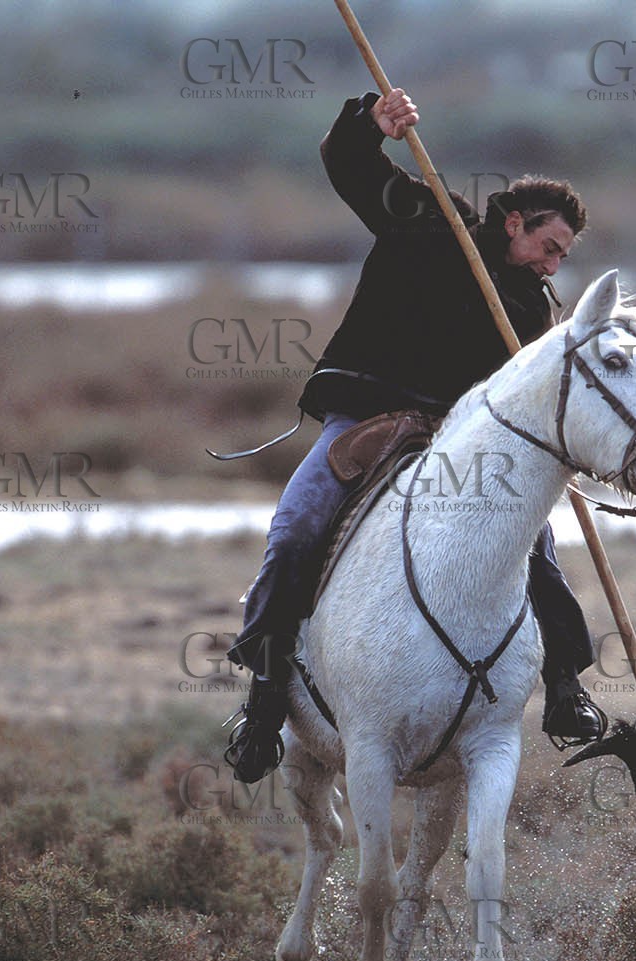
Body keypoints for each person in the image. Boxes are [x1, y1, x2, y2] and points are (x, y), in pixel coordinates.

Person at [223, 87, 604, 784]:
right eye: (547, 247)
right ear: (515, 221)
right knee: (296, 531)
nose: (553, 266)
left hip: (462, 448)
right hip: (367, 419)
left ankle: (567, 687)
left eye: (561, 257)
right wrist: (368, 126)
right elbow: (350, 168)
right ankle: (266, 703)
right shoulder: (434, 222)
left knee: (541, 548)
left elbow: (535, 406)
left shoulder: (532, 312)